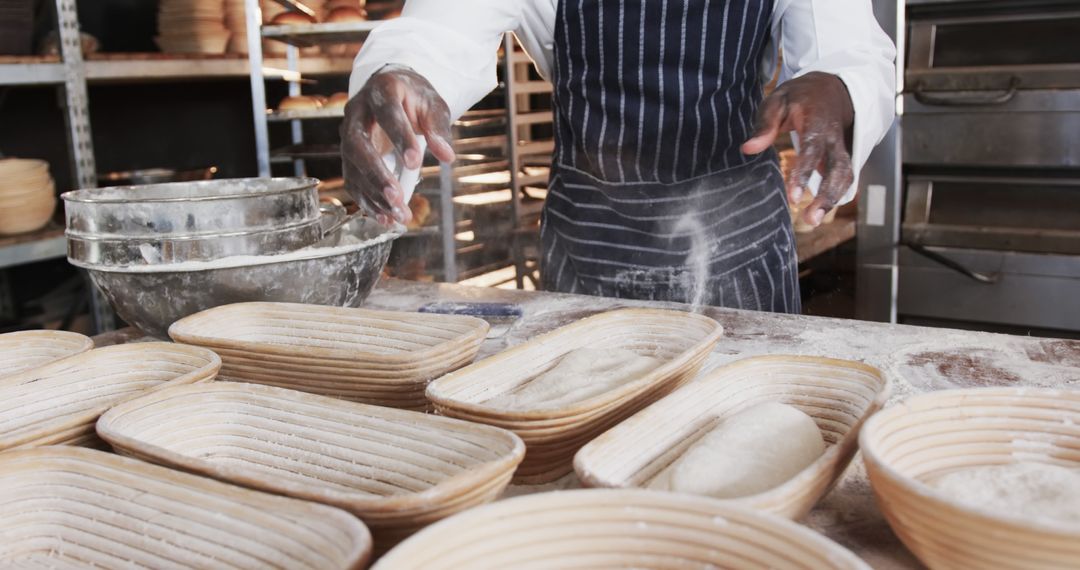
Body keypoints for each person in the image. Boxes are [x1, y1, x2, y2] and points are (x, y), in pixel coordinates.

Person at [341, 0, 895, 313]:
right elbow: (442, 29)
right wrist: (405, 72)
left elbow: (849, 50)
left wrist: (837, 86)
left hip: (739, 254)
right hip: (588, 251)